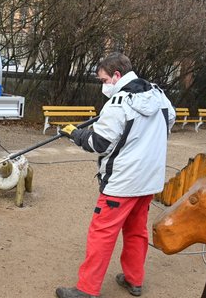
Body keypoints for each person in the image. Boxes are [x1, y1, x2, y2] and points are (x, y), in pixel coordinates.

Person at [55, 52, 175, 298]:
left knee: (102, 233)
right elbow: (167, 123)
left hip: (122, 184)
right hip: (148, 181)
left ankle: (86, 290)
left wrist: (74, 134)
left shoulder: (118, 102)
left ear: (116, 76)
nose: (103, 85)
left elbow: (99, 143)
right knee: (136, 230)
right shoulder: (158, 95)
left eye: (103, 80)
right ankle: (134, 279)